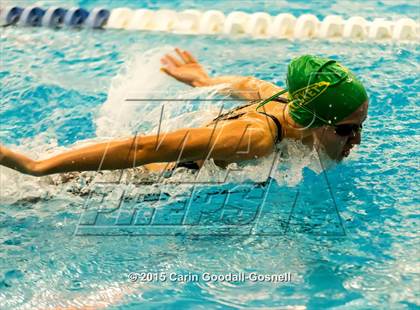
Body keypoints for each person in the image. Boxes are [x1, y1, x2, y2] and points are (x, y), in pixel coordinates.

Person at [0, 48, 368, 177]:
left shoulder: (290, 103)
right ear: (315, 121)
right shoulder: (254, 138)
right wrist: (37, 167)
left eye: (359, 128)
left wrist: (204, 81)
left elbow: (251, 83)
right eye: (346, 130)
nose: (356, 140)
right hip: (135, 184)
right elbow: (143, 149)